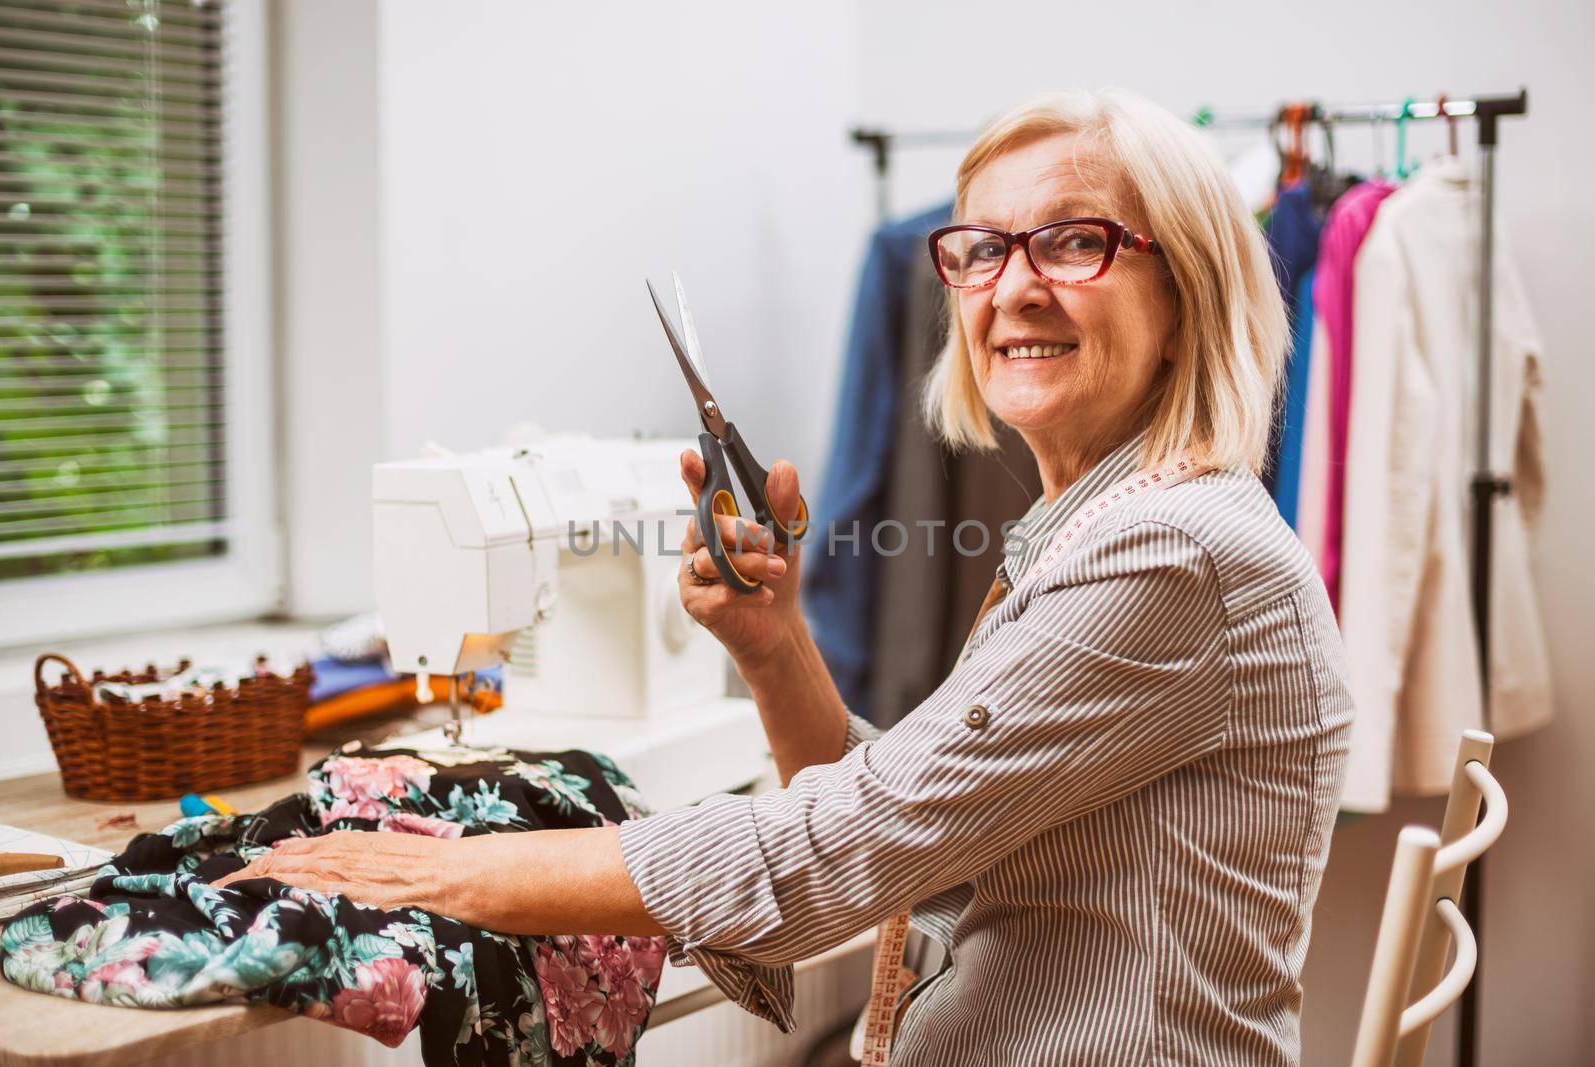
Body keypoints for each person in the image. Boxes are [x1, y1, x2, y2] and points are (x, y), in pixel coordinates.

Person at [217, 88, 1352, 1065]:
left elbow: (843, 853)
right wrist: (775, 645)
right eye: (982, 248)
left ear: (1186, 298)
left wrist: (445, 872)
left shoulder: (1169, 558)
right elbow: (928, 839)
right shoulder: (1095, 528)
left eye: (1071, 242)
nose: (1012, 287)